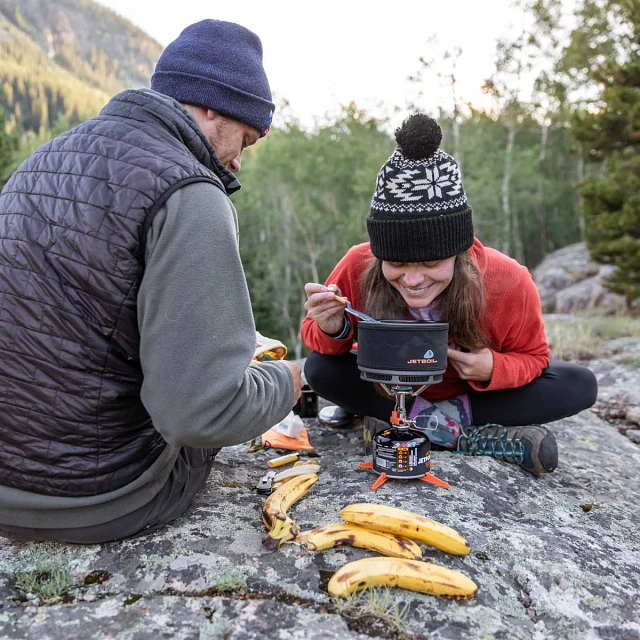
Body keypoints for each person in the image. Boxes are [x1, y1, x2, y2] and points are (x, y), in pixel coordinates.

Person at [0, 19, 303, 543]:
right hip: (94, 497)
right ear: (213, 106)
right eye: (246, 141)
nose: (236, 161)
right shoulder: (190, 191)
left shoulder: (43, 160)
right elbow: (202, 413)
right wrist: (290, 380)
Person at [302, 114, 597, 476]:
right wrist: (334, 328)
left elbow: (534, 357)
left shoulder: (508, 280)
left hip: (474, 396)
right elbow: (315, 339)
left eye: (430, 263)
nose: (412, 279)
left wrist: (493, 368)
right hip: (389, 387)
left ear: (458, 252)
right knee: (318, 368)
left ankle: (404, 428)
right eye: (395, 263)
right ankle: (465, 437)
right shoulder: (359, 263)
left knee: (578, 384)